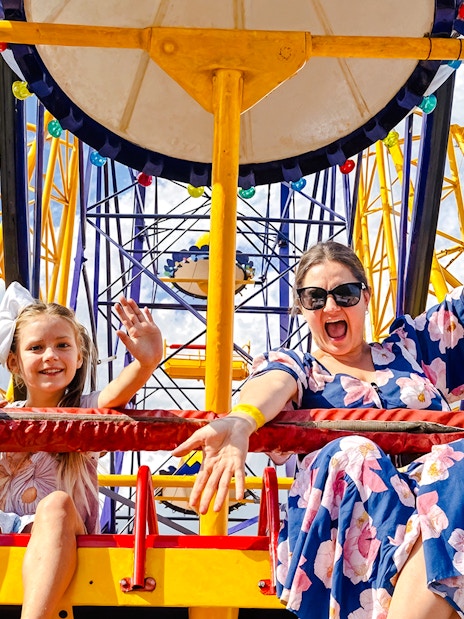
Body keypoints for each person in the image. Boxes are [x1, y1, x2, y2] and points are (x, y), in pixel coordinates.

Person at [173, 240, 464, 619]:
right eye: (315, 297)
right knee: (356, 452)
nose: (331, 307)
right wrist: (242, 419)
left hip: (432, 500)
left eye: (344, 293)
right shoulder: (302, 368)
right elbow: (274, 384)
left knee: (455, 464)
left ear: (366, 297)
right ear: (301, 307)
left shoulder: (414, 351)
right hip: (348, 509)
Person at [0, 281, 162, 619]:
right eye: (36, 348)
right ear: (14, 362)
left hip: (63, 535)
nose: (51, 356)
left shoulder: (84, 411)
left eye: (62, 345)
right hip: (5, 530)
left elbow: (113, 396)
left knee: (56, 505)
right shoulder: (5, 415)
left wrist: (146, 364)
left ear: (79, 356)